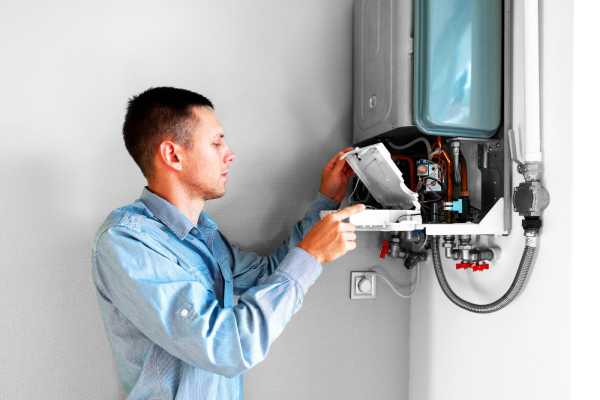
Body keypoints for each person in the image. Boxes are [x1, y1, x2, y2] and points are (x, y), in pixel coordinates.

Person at [91, 87, 365, 399]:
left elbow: (268, 275)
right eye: (216, 142)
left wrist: (325, 201)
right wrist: (310, 255)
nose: (229, 153)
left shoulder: (205, 234)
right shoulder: (128, 242)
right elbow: (226, 346)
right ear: (173, 155)